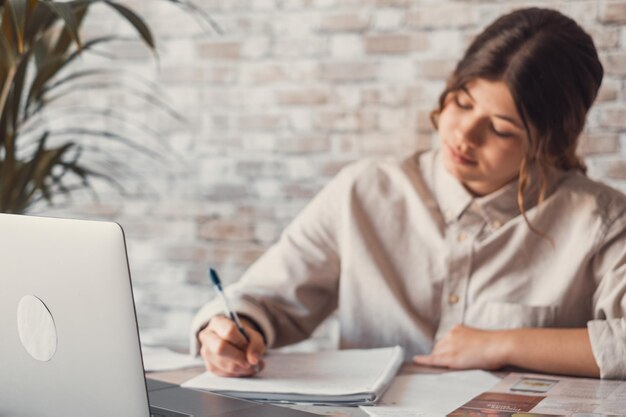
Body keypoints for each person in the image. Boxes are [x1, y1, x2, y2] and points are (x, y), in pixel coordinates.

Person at [191, 7, 626, 380]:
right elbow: (265, 298)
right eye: (462, 103)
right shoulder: (363, 192)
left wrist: (505, 344)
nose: (464, 135)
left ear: (549, 142)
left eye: (500, 129)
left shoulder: (600, 221)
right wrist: (234, 329)